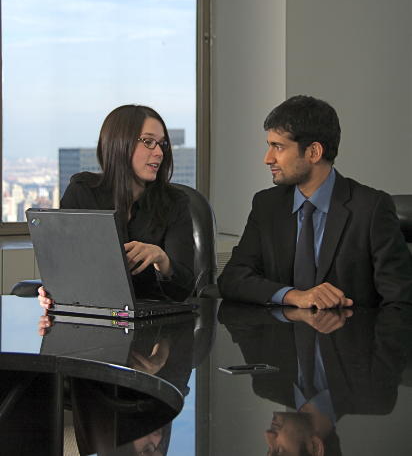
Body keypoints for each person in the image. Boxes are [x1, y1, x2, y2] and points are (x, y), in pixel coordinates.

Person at [218, 95, 412, 308]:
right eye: (269, 146)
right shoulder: (266, 205)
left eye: (278, 147)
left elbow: (401, 300)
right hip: (282, 328)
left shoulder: (371, 208)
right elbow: (232, 278)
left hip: (351, 328)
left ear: (313, 152)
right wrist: (293, 296)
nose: (268, 158)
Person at [39, 104, 194, 310]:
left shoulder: (174, 202)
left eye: (162, 144)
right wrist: (52, 290)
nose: (159, 152)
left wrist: (162, 259)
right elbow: (62, 267)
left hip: (154, 319)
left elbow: (184, 291)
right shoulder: (82, 192)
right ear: (120, 144)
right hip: (92, 315)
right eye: (148, 142)